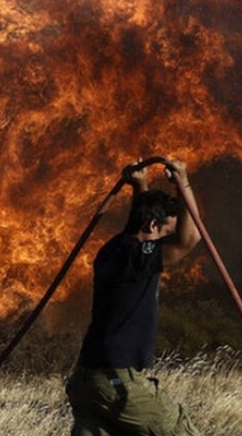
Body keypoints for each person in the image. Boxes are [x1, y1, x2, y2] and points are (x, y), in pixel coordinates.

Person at [66, 159, 203, 436]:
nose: (165, 242)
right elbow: (190, 239)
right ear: (153, 226)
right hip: (118, 383)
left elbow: (140, 223)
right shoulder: (137, 257)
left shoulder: (115, 248)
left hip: (87, 382)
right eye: (165, 233)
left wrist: (140, 185)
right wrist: (183, 183)